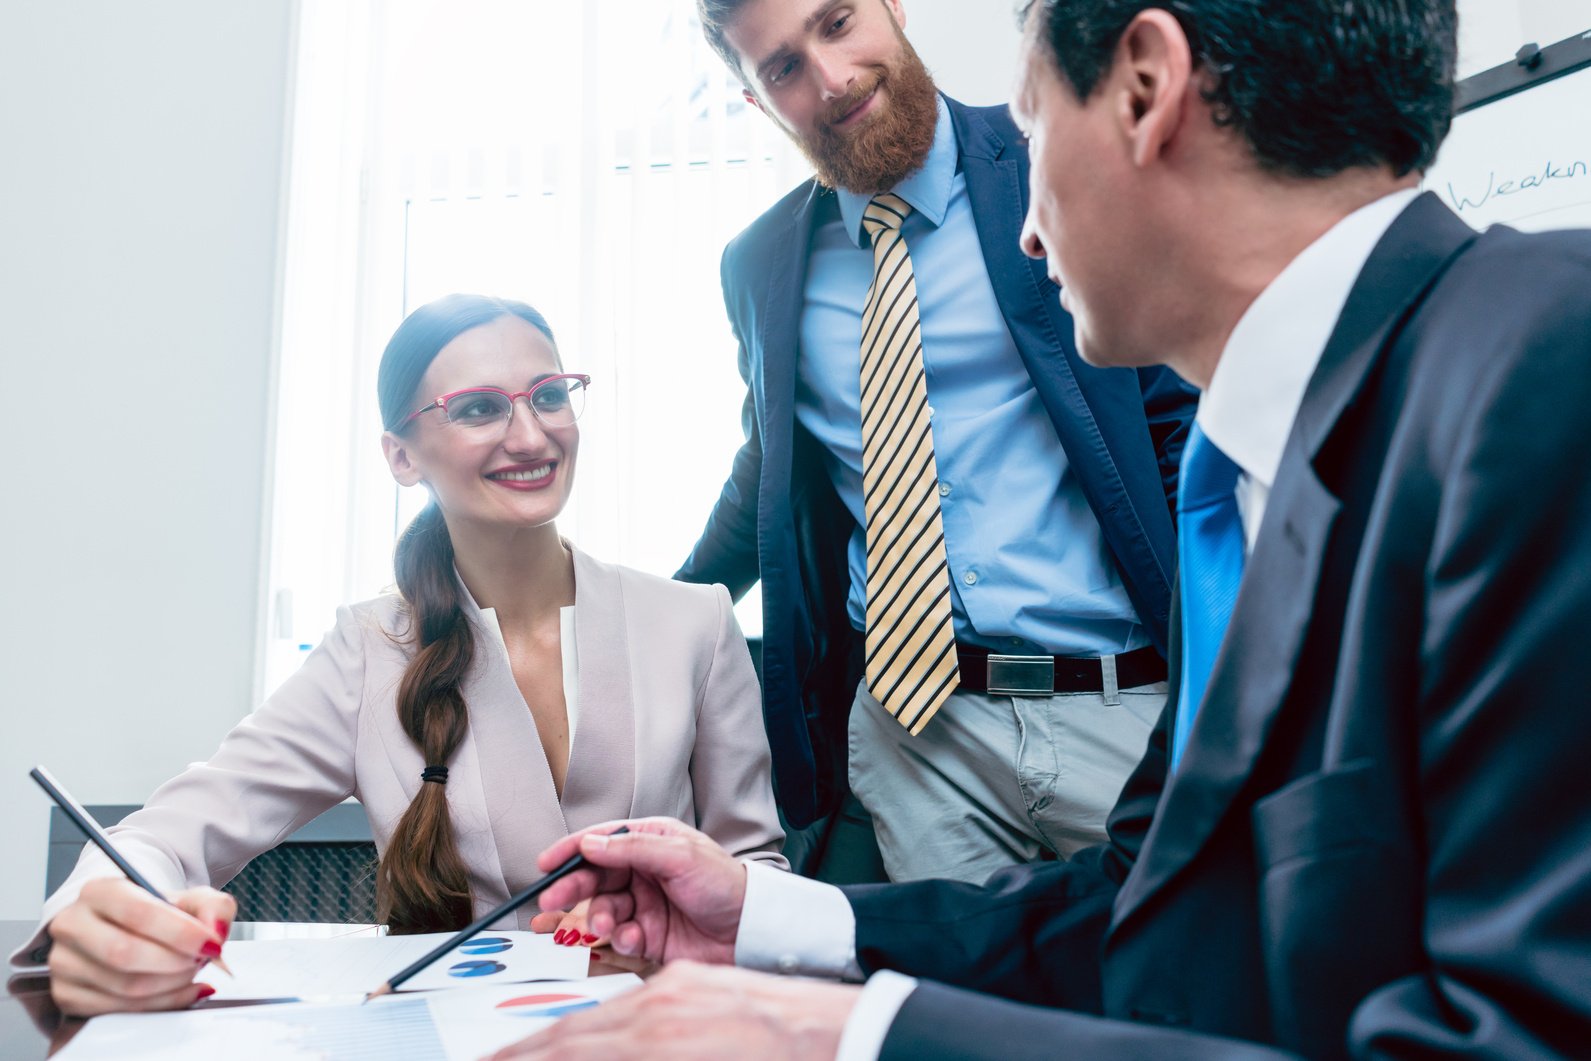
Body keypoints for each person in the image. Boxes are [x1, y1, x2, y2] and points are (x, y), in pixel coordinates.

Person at [488, 0, 1591, 1056]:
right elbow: (1144, 911)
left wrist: (851, 1036)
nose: (1019, 224)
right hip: (931, 717)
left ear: (1144, 91)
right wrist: (774, 926)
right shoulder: (1259, 480)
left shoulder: (1544, 366)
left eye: (1029, 122)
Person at [12, 293, 786, 1017]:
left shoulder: (696, 622)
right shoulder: (365, 651)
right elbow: (178, 828)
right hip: (447, 1037)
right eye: (479, 408)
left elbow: (760, 874)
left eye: (548, 394)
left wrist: (684, 921)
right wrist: (95, 914)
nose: (530, 434)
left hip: (673, 1028)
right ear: (401, 456)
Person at [677, 0, 1197, 885]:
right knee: (957, 1011)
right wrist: (652, 616)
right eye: (782, 68)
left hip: (1128, 702)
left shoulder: (1056, 156)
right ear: (758, 102)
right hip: (919, 736)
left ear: (892, 6)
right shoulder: (759, 264)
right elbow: (771, 470)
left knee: (1165, 990)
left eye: (837, 23)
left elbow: (1183, 426)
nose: (830, 79)